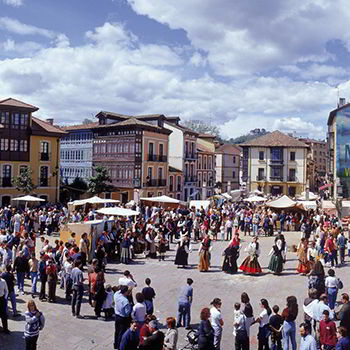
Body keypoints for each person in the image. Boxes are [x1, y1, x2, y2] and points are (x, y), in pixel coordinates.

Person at [114, 285, 132, 350]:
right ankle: (119, 347)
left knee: (117, 331)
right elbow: (127, 313)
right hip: (123, 317)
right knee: (121, 333)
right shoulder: (125, 301)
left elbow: (118, 291)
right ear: (125, 292)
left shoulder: (116, 294)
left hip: (116, 315)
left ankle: (115, 344)